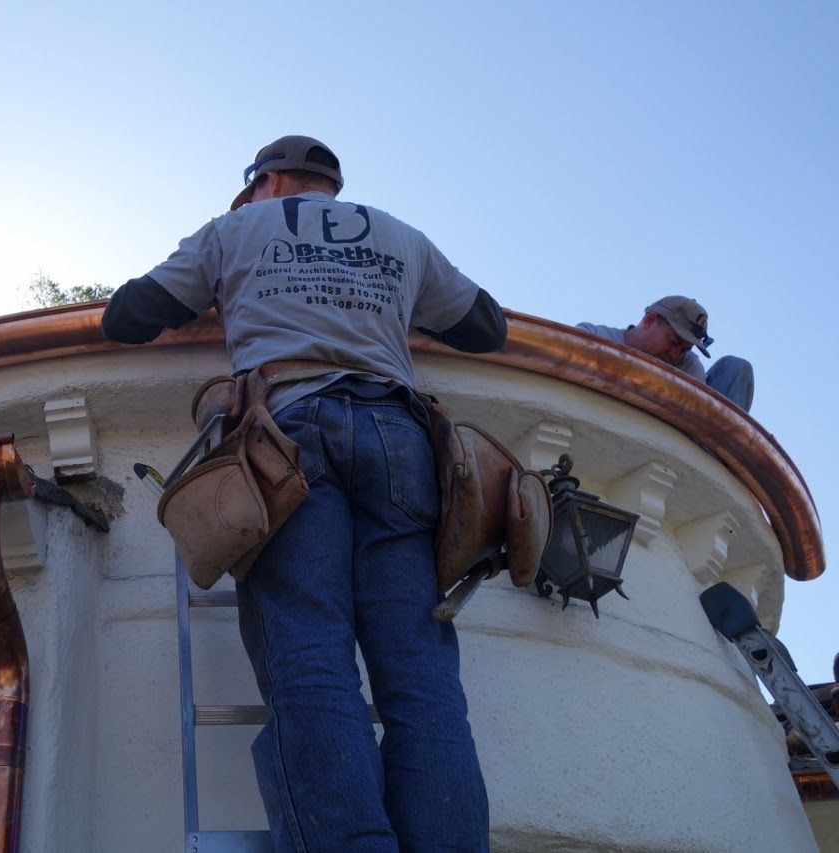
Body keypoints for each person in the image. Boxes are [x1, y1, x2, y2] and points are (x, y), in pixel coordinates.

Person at [102, 135, 504, 852]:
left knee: (311, 661)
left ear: (271, 180)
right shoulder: (401, 237)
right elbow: (487, 327)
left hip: (285, 438)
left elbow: (126, 316)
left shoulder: (236, 230)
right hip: (401, 440)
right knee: (421, 677)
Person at [578, 296, 754, 411]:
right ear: (650, 320)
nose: (676, 355)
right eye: (673, 342)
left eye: (685, 350)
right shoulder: (593, 336)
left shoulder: (688, 365)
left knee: (736, 368)